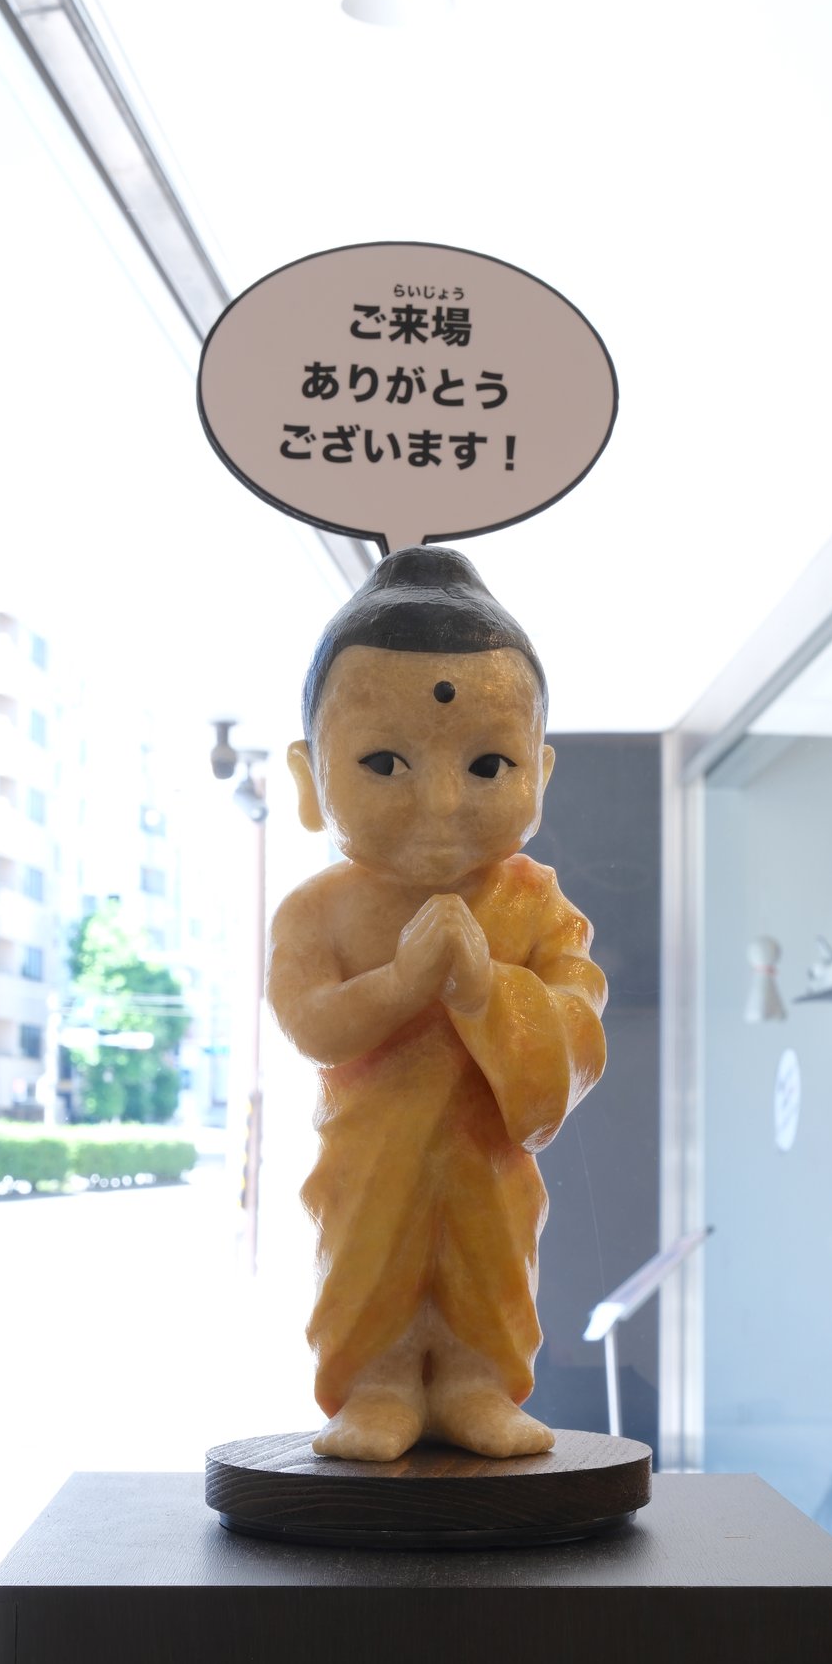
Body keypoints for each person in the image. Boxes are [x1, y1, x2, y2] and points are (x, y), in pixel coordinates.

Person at [268, 546, 607, 1460]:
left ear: (539, 773)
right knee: (362, 1258)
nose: (442, 801)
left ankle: (475, 1383)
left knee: (491, 1263)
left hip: (485, 1158)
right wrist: (401, 984)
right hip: (367, 1155)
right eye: (385, 761)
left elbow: (577, 1028)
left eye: (489, 764)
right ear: (308, 779)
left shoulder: (536, 906)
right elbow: (309, 1023)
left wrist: (484, 989)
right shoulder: (317, 910)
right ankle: (373, 1387)